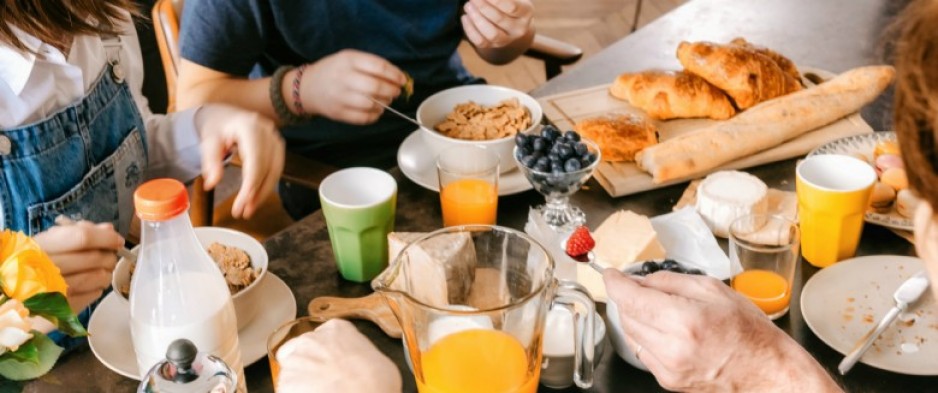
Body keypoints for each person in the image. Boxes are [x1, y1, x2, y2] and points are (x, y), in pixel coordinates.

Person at [0, 0, 285, 346]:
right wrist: (13, 296)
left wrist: (207, 125)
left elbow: (128, 150)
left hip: (133, 329)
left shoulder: (104, 14)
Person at [175, 0, 535, 219]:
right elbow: (193, 101)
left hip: (468, 147)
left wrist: (510, 32)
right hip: (338, 175)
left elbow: (499, 49)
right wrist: (303, 90)